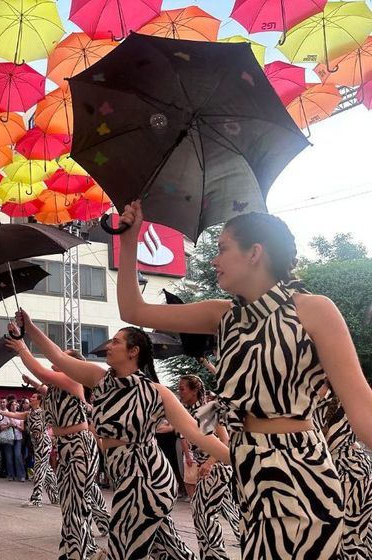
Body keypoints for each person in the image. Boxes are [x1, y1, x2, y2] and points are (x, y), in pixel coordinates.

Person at [115, 201, 372, 558]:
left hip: (301, 473)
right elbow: (134, 311)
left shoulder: (314, 310)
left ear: (255, 253)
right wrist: (128, 243)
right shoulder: (222, 316)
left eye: (222, 249)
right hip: (250, 470)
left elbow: (363, 411)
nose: (213, 260)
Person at [17, 309, 229, 560]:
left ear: (133, 351)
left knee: (121, 550)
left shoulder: (156, 392)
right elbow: (58, 358)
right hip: (125, 477)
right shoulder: (100, 379)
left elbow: (196, 432)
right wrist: (28, 328)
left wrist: (236, 459)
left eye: (116, 341)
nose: (109, 346)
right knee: (168, 548)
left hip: (145, 479)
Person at [6, 337, 111, 559]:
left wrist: (22, 346)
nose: (58, 356)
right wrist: (33, 382)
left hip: (79, 445)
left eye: (64, 355)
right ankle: (86, 548)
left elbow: (43, 374)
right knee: (72, 501)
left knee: (75, 502)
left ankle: (81, 552)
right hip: (66, 446)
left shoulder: (73, 380)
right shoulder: (57, 385)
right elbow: (45, 384)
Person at [178, 374, 240, 560]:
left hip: (216, 469)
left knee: (203, 513)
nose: (179, 392)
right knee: (221, 511)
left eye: (182, 388)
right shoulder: (189, 411)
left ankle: (217, 556)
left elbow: (224, 439)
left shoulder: (207, 409)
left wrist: (209, 462)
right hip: (207, 468)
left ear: (194, 390)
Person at [314, 383, 372, 560]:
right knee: (356, 539)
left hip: (339, 473)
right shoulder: (348, 394)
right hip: (359, 470)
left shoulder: (308, 399)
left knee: (340, 541)